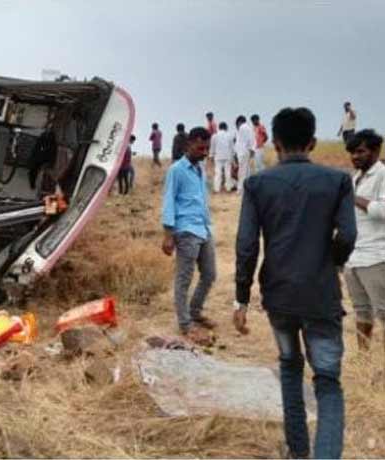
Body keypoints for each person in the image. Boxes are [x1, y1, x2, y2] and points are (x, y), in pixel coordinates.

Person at [235, 107, 356, 459]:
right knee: (328, 383)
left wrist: (240, 299)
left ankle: (298, 452)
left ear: (275, 143)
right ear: (313, 142)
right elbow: (347, 234)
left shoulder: (257, 184)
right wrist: (330, 262)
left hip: (280, 296)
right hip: (321, 296)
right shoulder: (337, 182)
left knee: (290, 369)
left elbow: (246, 247)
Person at [162, 127, 217, 337]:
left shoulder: (200, 169)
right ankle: (185, 325)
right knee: (184, 280)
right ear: (189, 145)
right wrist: (168, 235)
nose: (204, 152)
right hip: (185, 231)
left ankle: (195, 311)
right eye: (201, 148)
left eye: (207, 148)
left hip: (203, 229)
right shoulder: (176, 170)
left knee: (210, 274)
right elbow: (168, 202)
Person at [343, 129, 385, 352]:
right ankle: (364, 359)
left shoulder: (382, 175)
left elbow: (382, 211)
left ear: (376, 150)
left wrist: (353, 197)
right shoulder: (355, 177)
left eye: (360, 151)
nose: (355, 157)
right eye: (352, 153)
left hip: (376, 257)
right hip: (354, 256)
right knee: (361, 311)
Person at [209, 122, 235, 193]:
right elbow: (232, 148)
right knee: (228, 172)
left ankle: (217, 189)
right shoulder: (229, 136)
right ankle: (228, 188)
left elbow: (212, 147)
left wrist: (211, 156)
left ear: (219, 127)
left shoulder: (214, 136)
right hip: (227, 156)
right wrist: (233, 158)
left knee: (218, 173)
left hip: (218, 156)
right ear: (226, 127)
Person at [234, 115, 255, 194]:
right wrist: (252, 150)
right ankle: (246, 188)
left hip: (242, 152)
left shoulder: (242, 128)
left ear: (239, 122)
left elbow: (239, 142)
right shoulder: (248, 128)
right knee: (246, 171)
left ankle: (240, 189)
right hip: (246, 152)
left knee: (242, 172)